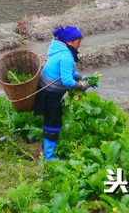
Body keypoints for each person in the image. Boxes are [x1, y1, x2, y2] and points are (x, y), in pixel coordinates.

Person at [32, 25, 91, 160]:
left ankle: (47, 149)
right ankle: (49, 156)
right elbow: (67, 81)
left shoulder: (59, 49)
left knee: (51, 120)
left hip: (45, 91)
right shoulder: (66, 56)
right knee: (53, 122)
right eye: (78, 42)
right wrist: (81, 85)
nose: (79, 45)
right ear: (70, 42)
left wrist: (80, 77)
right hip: (50, 94)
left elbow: (68, 72)